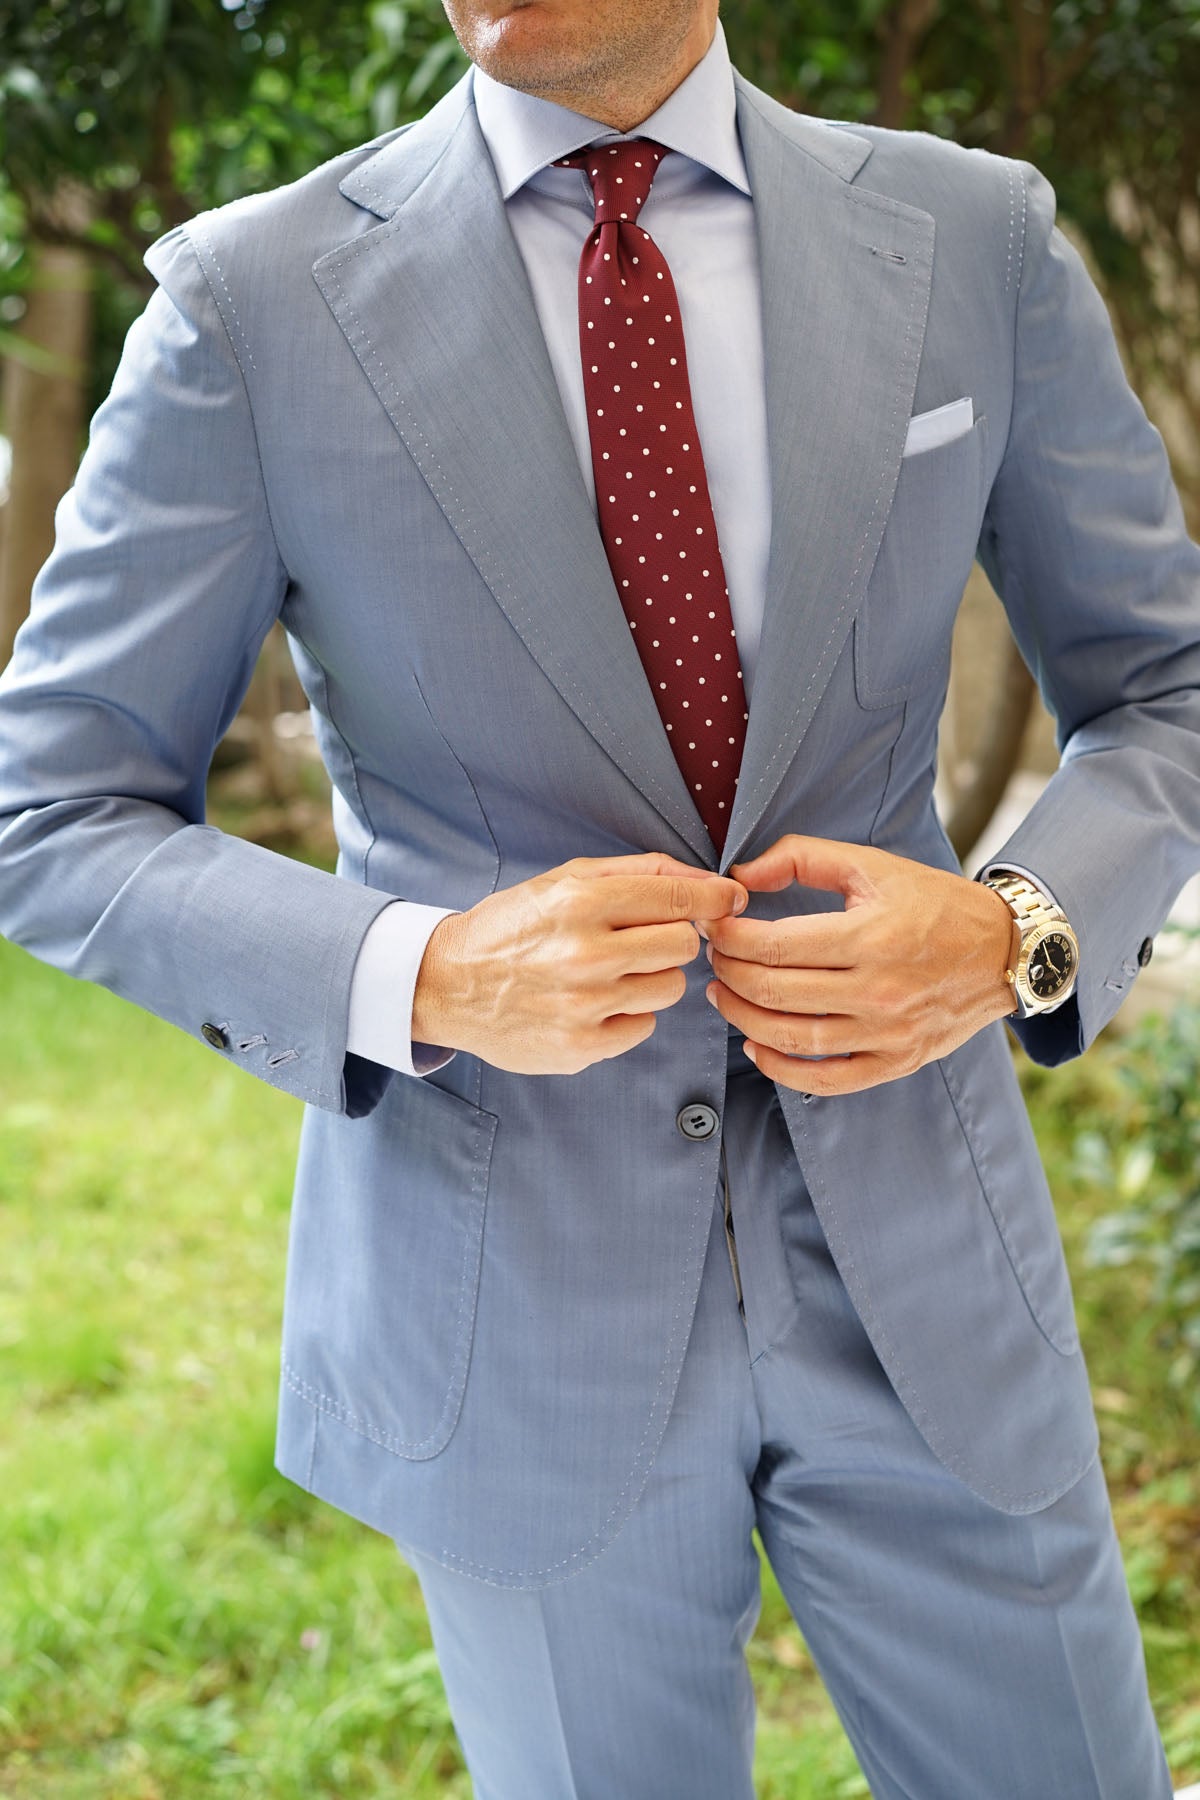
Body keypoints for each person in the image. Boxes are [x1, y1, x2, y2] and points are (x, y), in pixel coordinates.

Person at [1, 0, 1198, 1793]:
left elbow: (1167, 687)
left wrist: (1012, 924)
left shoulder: (972, 237)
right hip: (511, 1311)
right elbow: (51, 804)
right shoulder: (253, 305)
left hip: (934, 1280)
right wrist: (422, 971)